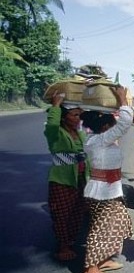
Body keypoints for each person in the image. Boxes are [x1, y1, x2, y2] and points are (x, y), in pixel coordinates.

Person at [79, 86, 133, 273]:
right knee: (101, 229)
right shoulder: (99, 140)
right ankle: (91, 271)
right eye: (112, 127)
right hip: (103, 192)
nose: (116, 132)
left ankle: (102, 259)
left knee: (117, 223)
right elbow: (126, 122)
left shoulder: (99, 140)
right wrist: (122, 99)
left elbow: (121, 125)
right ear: (104, 129)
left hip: (108, 190)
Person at [44, 93, 88, 261]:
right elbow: (52, 125)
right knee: (61, 214)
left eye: (79, 115)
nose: (78, 118)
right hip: (62, 180)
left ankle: (70, 240)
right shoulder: (55, 134)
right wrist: (56, 106)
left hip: (81, 179)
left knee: (78, 212)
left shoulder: (80, 133)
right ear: (63, 118)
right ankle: (62, 246)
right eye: (74, 115)